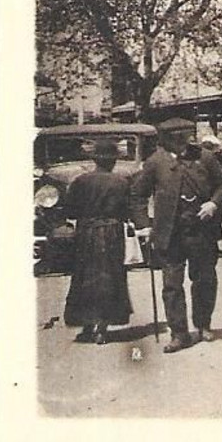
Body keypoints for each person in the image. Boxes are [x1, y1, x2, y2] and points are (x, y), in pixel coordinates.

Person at [132, 120, 222, 353]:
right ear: (166, 140)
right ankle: (179, 333)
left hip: (201, 231)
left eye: (185, 138)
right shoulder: (155, 162)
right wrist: (144, 225)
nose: (183, 145)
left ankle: (203, 325)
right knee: (172, 285)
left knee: (204, 280)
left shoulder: (205, 158)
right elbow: (137, 195)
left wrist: (213, 204)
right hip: (170, 233)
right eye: (177, 140)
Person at [62, 139, 140, 345]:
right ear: (113, 161)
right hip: (112, 233)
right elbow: (127, 211)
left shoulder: (80, 181)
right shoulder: (122, 182)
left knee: (84, 276)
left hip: (86, 233)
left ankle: (87, 324)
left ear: (94, 160)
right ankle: (102, 328)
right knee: (110, 277)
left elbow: (70, 210)